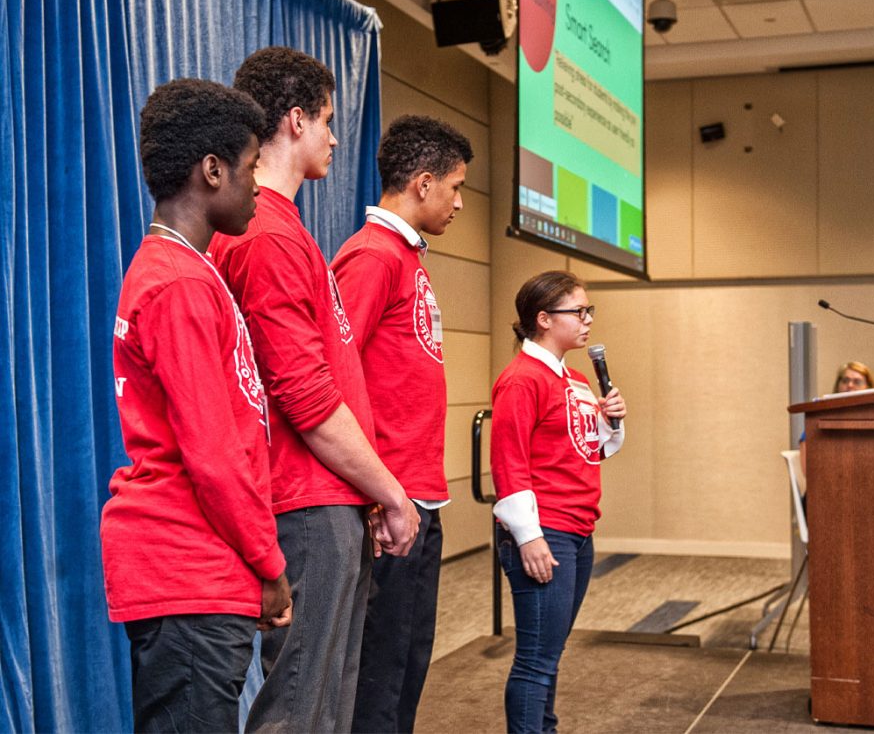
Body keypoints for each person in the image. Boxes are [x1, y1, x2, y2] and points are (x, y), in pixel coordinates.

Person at [208, 46, 420, 733]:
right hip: (305, 502)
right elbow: (304, 396)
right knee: (300, 710)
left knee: (327, 708)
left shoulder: (285, 230)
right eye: (327, 121)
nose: (334, 137)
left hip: (330, 499)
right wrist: (392, 491)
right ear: (295, 121)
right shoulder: (264, 236)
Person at [100, 78, 292, 733]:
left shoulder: (189, 272)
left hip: (201, 569)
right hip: (185, 569)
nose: (258, 186)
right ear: (212, 171)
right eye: (250, 168)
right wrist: (269, 563)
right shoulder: (177, 283)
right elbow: (213, 454)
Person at [330, 115, 473, 732]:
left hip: (417, 496)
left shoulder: (406, 256)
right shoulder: (371, 256)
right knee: (379, 681)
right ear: (423, 183)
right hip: (388, 501)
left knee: (408, 667)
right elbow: (334, 377)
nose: (460, 203)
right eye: (456, 187)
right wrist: (375, 495)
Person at [489, 270, 626, 734]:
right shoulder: (521, 380)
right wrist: (529, 537)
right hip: (545, 532)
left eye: (589, 311)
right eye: (578, 312)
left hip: (578, 529)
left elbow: (590, 450)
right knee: (536, 661)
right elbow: (508, 461)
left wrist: (610, 422)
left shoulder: (576, 378)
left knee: (550, 653)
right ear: (544, 319)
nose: (588, 320)